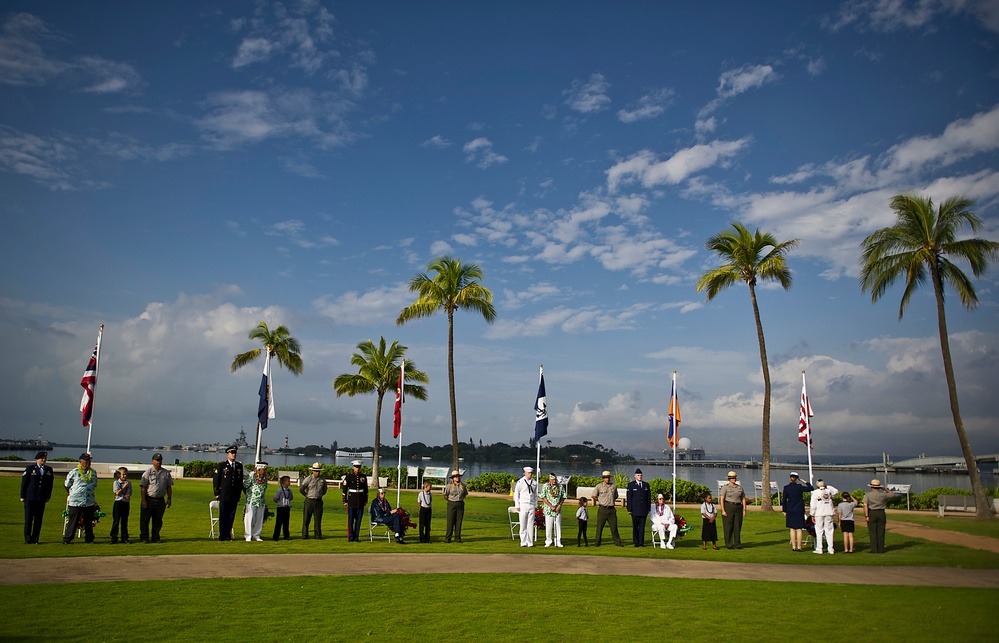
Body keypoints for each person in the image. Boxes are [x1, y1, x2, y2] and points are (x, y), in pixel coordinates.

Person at [63, 453, 98, 545]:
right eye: (86, 460)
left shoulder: (93, 472)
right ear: (80, 461)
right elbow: (67, 485)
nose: (88, 463)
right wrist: (72, 494)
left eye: (89, 460)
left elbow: (94, 485)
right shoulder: (74, 472)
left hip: (88, 501)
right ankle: (67, 539)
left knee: (88, 521)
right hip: (76, 501)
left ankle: (89, 538)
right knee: (73, 520)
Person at [20, 451, 54, 544]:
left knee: (38, 520)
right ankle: (27, 538)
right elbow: (24, 483)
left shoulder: (48, 470)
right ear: (37, 459)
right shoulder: (30, 469)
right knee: (28, 519)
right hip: (30, 498)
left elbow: (50, 484)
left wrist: (47, 496)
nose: (43, 460)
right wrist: (22, 496)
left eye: (44, 458)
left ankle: (35, 538)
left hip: (41, 498)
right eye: (41, 458)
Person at [212, 446, 244, 542]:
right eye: (232, 453)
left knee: (231, 516)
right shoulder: (222, 466)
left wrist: (239, 493)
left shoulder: (239, 466)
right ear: (227, 454)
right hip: (224, 494)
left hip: (234, 495)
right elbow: (216, 480)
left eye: (235, 453)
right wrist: (217, 492)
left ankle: (228, 534)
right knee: (223, 515)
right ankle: (222, 535)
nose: (234, 455)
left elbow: (239, 481)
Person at [140, 453, 173, 543]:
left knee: (158, 520)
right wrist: (143, 500)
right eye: (157, 460)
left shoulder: (166, 473)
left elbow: (169, 487)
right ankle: (144, 537)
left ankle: (155, 537)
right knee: (145, 520)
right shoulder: (148, 473)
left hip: (160, 500)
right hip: (149, 498)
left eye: (160, 460)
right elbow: (143, 487)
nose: (159, 462)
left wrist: (169, 498)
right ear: (153, 461)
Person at [781, 471, 814, 552]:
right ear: (797, 479)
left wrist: (784, 510)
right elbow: (811, 488)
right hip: (799, 509)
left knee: (792, 528)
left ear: (790, 478)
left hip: (790, 509)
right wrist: (806, 482)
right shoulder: (799, 487)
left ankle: (793, 546)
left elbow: (784, 500)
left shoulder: (786, 488)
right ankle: (799, 547)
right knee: (799, 528)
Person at [864, 479, 898, 554]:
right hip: (881, 512)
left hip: (872, 512)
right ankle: (881, 548)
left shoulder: (868, 495)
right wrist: (885, 489)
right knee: (881, 531)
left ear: (871, 487)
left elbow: (865, 505)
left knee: (873, 532)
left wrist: (866, 515)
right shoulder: (883, 495)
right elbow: (894, 495)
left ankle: (874, 549)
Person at [590, 471, 623, 547]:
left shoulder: (613, 486)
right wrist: (600, 500)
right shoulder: (599, 486)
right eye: (606, 478)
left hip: (611, 509)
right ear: (603, 478)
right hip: (602, 509)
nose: (607, 479)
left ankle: (618, 543)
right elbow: (593, 496)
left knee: (614, 527)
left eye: (608, 478)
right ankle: (597, 543)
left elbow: (616, 496)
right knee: (599, 527)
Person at [809, 479, 840, 555]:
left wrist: (812, 514)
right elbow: (836, 491)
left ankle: (819, 548)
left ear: (817, 485)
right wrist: (827, 487)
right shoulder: (828, 491)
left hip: (819, 513)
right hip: (828, 512)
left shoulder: (816, 492)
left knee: (819, 531)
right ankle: (831, 549)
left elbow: (813, 505)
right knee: (829, 531)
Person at [341, 460, 369, 542]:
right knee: (350, 521)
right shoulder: (349, 476)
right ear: (353, 467)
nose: (357, 469)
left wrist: (365, 500)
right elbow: (344, 490)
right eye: (356, 467)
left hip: (360, 500)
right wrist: (344, 501)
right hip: (351, 501)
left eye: (359, 467)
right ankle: (351, 537)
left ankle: (356, 536)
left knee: (358, 520)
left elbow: (366, 490)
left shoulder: (363, 477)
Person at [719, 471, 747, 550]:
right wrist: (723, 510)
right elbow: (722, 499)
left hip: (738, 507)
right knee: (728, 526)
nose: (734, 479)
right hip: (728, 506)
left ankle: (737, 543)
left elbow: (743, 499)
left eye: (734, 478)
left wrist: (744, 510)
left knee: (737, 526)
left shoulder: (739, 487)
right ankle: (728, 543)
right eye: (732, 478)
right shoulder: (725, 487)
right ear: (729, 479)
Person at [299, 462, 327, 539]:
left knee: (318, 520)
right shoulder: (308, 479)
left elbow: (325, 489)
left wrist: (319, 495)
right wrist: (306, 495)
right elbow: (301, 489)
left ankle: (318, 535)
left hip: (318, 501)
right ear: (313, 471)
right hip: (309, 500)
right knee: (306, 519)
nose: (317, 472)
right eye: (316, 471)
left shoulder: (322, 480)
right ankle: (305, 535)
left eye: (318, 471)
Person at [626, 468, 652, 547]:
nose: (640, 477)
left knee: (642, 527)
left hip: (643, 510)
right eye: (638, 475)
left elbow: (648, 498)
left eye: (641, 475)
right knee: (635, 526)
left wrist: (648, 508)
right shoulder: (631, 485)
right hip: (634, 510)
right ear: (635, 476)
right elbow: (629, 498)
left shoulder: (645, 485)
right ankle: (636, 542)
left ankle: (641, 542)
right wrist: (629, 509)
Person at [243, 461, 268, 542]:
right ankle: (248, 535)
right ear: (258, 469)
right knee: (250, 518)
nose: (264, 471)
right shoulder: (251, 475)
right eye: (263, 469)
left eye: (265, 469)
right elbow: (245, 485)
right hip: (252, 500)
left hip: (261, 500)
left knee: (259, 518)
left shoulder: (265, 477)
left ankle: (256, 535)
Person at [513, 466, 538, 547]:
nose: (530, 474)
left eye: (531, 473)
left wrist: (535, 505)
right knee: (523, 524)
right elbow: (516, 494)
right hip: (523, 504)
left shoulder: (534, 482)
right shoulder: (520, 482)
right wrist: (517, 505)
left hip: (531, 505)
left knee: (530, 524)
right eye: (528, 473)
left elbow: (535, 495)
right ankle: (523, 541)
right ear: (525, 473)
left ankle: (530, 542)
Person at [540, 472, 565, 548]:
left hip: (558, 509)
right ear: (549, 479)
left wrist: (559, 505)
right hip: (549, 509)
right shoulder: (545, 486)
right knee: (549, 525)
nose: (554, 481)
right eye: (553, 479)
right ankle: (548, 541)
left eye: (555, 479)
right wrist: (550, 506)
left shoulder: (560, 486)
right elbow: (543, 497)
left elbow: (563, 496)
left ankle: (558, 541)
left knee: (558, 525)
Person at [442, 470, 468, 543]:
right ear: (453, 478)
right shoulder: (449, 486)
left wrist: (460, 499)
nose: (457, 478)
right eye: (455, 477)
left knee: (459, 521)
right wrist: (451, 500)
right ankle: (448, 538)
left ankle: (457, 538)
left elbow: (465, 494)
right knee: (450, 521)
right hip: (451, 503)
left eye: (458, 477)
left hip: (460, 503)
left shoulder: (463, 486)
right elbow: (445, 495)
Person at [110, 467, 131, 544]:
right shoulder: (116, 483)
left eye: (126, 474)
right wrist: (123, 487)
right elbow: (117, 493)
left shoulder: (129, 483)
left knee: (124, 521)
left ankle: (124, 537)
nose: (124, 476)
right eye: (123, 474)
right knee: (116, 520)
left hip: (126, 503)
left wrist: (128, 495)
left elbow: (130, 492)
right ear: (119, 475)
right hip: (118, 502)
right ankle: (114, 537)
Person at [272, 475, 293, 541]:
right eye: (288, 481)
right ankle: (276, 536)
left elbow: (291, 497)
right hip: (281, 508)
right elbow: (275, 498)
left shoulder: (289, 490)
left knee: (286, 523)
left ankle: (286, 536)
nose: (289, 482)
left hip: (287, 508)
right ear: (283, 482)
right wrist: (280, 502)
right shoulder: (280, 490)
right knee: (278, 523)